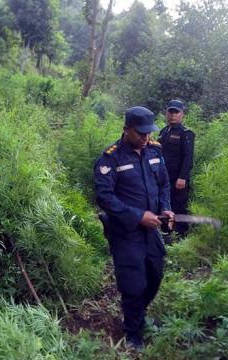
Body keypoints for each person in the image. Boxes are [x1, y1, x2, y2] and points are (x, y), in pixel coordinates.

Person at [94, 106, 174, 350]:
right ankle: (133, 332)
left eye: (148, 133)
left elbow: (164, 185)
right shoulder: (111, 158)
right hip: (126, 232)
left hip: (152, 229)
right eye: (140, 133)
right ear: (126, 129)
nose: (145, 137)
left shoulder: (154, 152)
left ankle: (138, 312)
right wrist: (138, 216)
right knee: (133, 283)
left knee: (155, 274)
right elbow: (104, 197)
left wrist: (166, 209)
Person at [158, 100, 195, 238]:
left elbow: (188, 157)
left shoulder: (186, 133)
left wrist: (183, 177)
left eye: (176, 112)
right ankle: (165, 233)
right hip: (163, 178)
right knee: (165, 204)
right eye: (170, 112)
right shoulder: (163, 132)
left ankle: (181, 235)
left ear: (182, 115)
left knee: (179, 206)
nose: (173, 115)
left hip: (178, 178)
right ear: (166, 113)